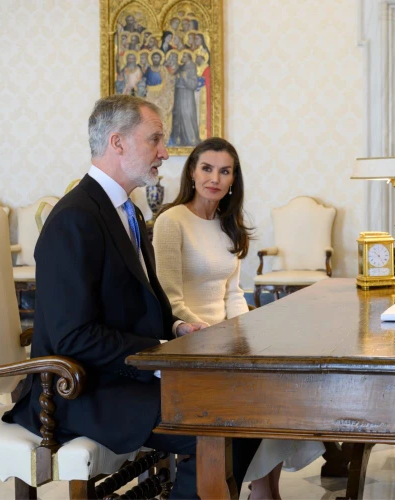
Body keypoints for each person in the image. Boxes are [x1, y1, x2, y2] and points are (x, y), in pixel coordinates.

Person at [3, 95, 261, 499]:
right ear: (117, 142)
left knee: (245, 412)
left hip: (122, 374)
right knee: (218, 426)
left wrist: (176, 327)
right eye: (155, 139)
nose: (164, 152)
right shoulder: (75, 219)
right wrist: (159, 352)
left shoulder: (128, 212)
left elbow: (136, 305)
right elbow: (73, 337)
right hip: (81, 388)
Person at [153, 137, 325, 500]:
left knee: (281, 386)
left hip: (225, 341)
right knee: (261, 398)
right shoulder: (172, 221)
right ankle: (259, 492)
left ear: (234, 179)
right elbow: (169, 299)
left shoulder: (227, 224)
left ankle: (265, 491)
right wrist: (211, 337)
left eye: (225, 171)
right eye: (207, 168)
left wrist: (247, 334)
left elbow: (233, 293)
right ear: (192, 172)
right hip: (191, 343)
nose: (215, 178)